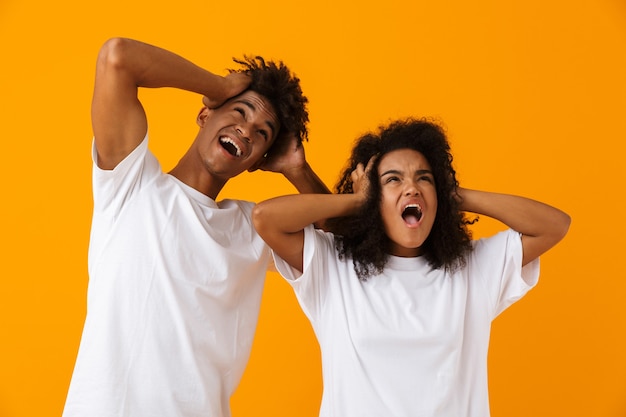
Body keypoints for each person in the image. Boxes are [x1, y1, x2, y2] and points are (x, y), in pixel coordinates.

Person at [63, 37, 328, 417]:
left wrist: (298, 171)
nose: (246, 131)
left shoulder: (254, 229)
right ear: (206, 116)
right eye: (240, 112)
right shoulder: (131, 182)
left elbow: (346, 249)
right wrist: (217, 88)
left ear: (256, 161)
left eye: (262, 132)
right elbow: (117, 56)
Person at [252, 117, 571, 417]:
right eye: (393, 180)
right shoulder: (334, 266)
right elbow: (266, 219)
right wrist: (359, 202)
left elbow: (554, 225)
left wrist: (453, 195)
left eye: (424, 178)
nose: (412, 187)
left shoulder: (473, 269)